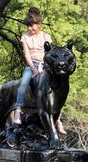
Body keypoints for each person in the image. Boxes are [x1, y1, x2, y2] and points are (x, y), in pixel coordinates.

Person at [12, 7, 67, 135]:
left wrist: (44, 67)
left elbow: (50, 54)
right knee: (23, 84)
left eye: (32, 26)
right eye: (28, 26)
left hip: (46, 64)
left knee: (57, 88)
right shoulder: (25, 36)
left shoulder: (46, 36)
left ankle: (58, 119)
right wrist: (34, 69)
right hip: (32, 65)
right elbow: (27, 55)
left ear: (39, 25)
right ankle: (18, 111)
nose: (30, 29)